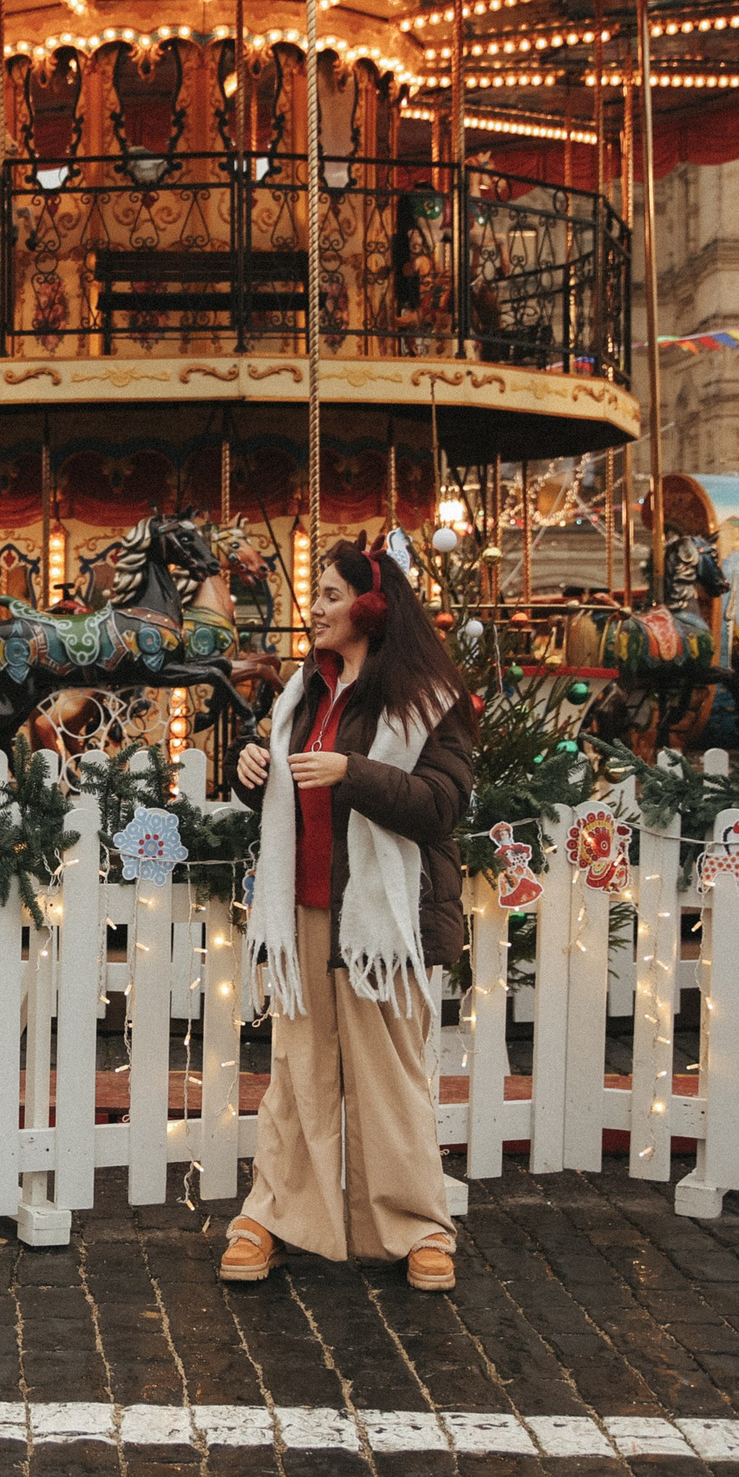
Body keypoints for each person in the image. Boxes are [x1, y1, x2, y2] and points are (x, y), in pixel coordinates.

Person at [221, 541, 475, 1293]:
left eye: (331, 595)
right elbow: (284, 793)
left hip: (381, 919)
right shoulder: (306, 690)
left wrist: (351, 774)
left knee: (387, 1076)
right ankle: (275, 1215)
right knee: (298, 1073)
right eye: (318, 595)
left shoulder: (427, 696)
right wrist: (250, 771)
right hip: (304, 905)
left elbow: (442, 804)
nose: (316, 608)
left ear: (371, 606)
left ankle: (417, 1227)